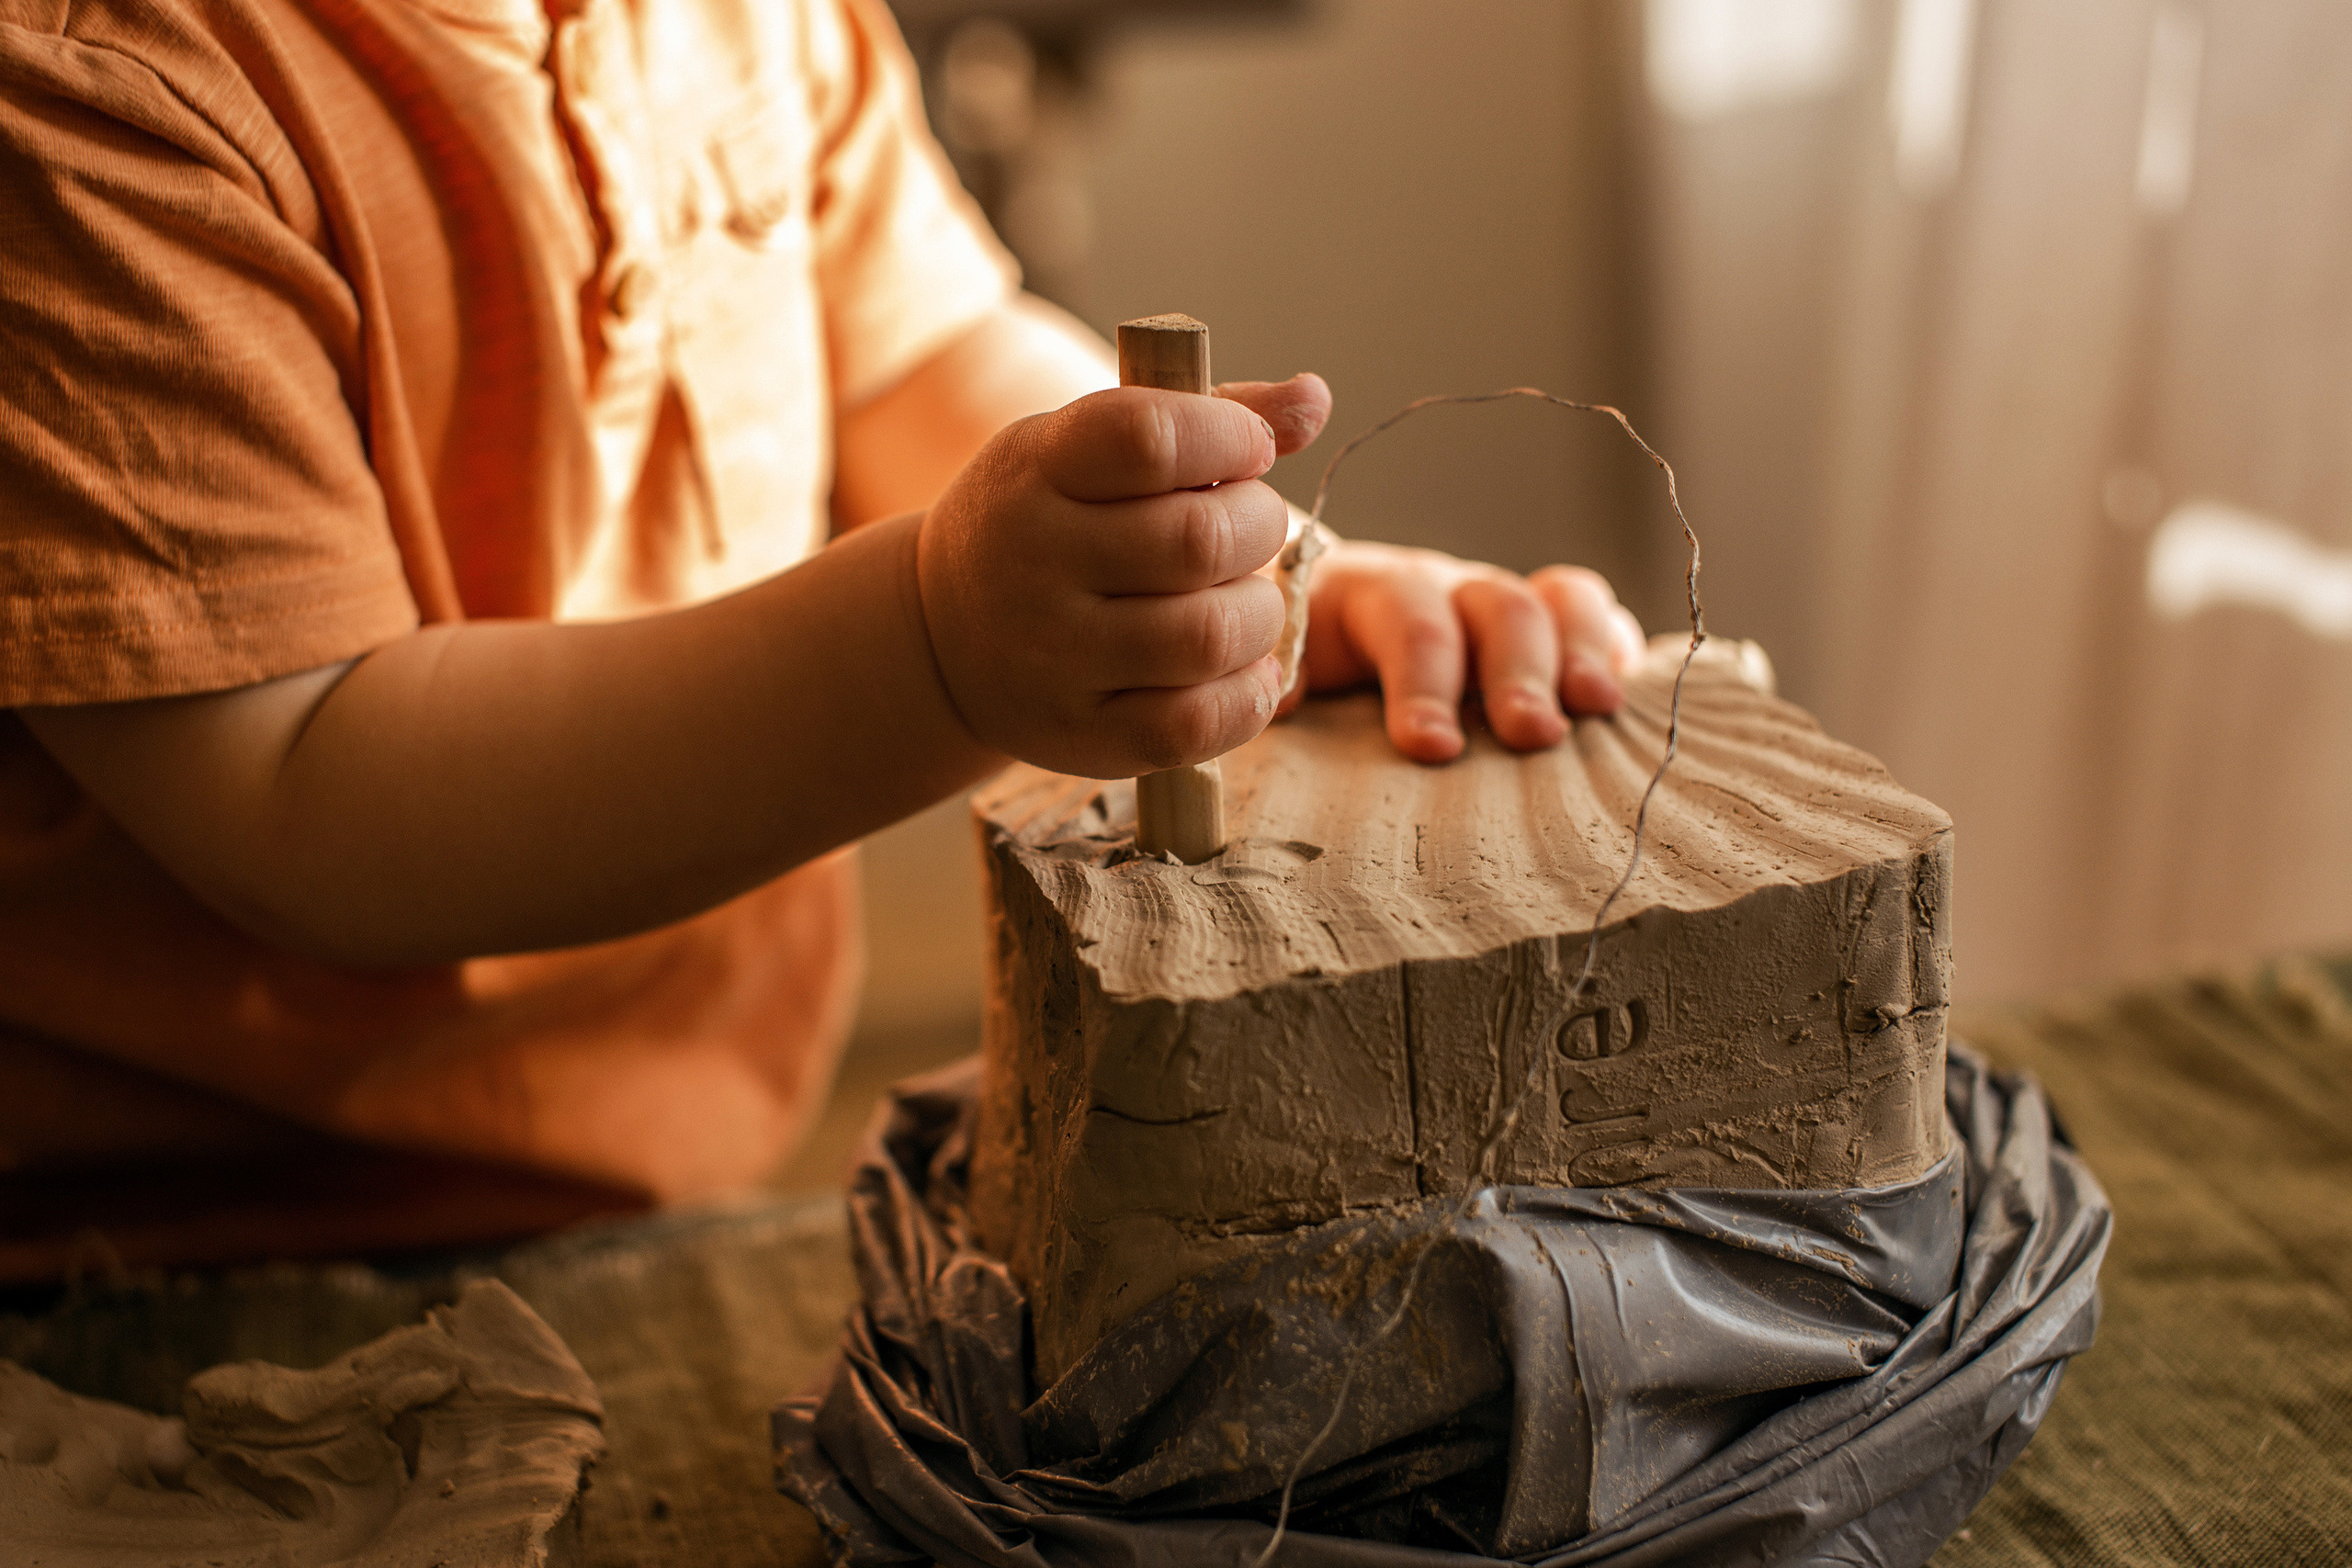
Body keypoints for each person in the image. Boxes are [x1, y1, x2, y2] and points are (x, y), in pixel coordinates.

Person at [0, 0, 1645, 1277]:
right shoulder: (82, 88)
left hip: (674, 1157)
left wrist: (1255, 580)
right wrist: (931, 649)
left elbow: (915, 354)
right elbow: (304, 791)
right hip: (174, 1259)